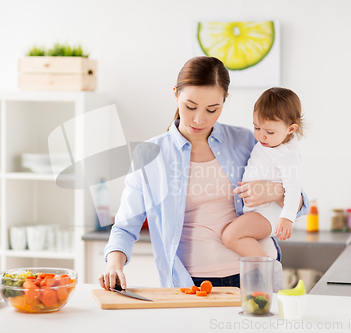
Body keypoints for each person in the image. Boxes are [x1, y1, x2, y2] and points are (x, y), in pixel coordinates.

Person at [99, 56, 309, 292]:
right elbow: (125, 225)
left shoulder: (248, 141)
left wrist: (275, 191)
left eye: (212, 109)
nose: (200, 119)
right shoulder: (150, 155)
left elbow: (300, 204)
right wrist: (114, 264)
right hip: (190, 283)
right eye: (190, 107)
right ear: (176, 94)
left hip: (254, 273)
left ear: (224, 100)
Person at [221, 87, 304, 258]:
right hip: (257, 212)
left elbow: (294, 189)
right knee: (251, 244)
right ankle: (269, 270)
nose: (261, 136)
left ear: (290, 129)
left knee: (230, 236)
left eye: (270, 132)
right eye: (257, 128)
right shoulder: (266, 145)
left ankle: (271, 273)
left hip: (267, 214)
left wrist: (288, 218)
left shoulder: (288, 155)